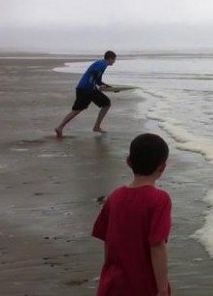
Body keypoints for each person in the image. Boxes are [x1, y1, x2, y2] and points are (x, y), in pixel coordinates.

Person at [92, 133, 172, 296]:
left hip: (112, 284)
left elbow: (108, 241)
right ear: (163, 166)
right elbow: (157, 245)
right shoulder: (159, 199)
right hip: (142, 285)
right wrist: (163, 289)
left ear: (129, 162)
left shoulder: (114, 197)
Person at [55, 50, 116, 138]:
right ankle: (96, 127)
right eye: (114, 60)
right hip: (87, 89)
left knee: (79, 109)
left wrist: (110, 87)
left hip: (86, 89)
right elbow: (95, 73)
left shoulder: (100, 63)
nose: (114, 62)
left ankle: (60, 127)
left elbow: (98, 80)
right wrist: (102, 85)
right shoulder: (102, 64)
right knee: (105, 104)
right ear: (110, 59)